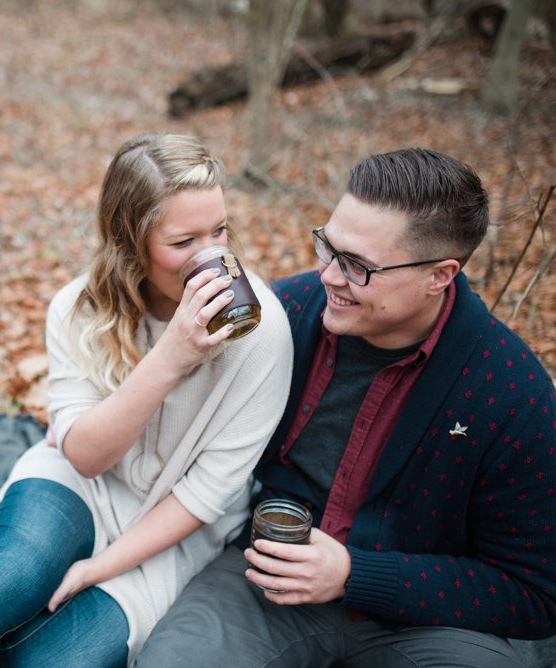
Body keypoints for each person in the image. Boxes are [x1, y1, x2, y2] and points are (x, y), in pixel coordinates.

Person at [0, 133, 294, 668]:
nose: (212, 255)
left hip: (174, 534)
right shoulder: (77, 309)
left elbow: (207, 495)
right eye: (183, 242)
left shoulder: (262, 333)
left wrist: (96, 568)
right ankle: (9, 553)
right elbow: (85, 456)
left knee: (46, 660)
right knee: (5, 585)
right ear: (131, 240)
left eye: (219, 231)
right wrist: (170, 356)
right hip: (82, 481)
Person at [134, 148, 556, 668]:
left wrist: (358, 575)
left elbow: (535, 594)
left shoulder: (510, 391)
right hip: (260, 578)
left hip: (425, 622)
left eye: (357, 266)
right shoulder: (284, 314)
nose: (330, 276)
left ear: (440, 275)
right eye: (328, 248)